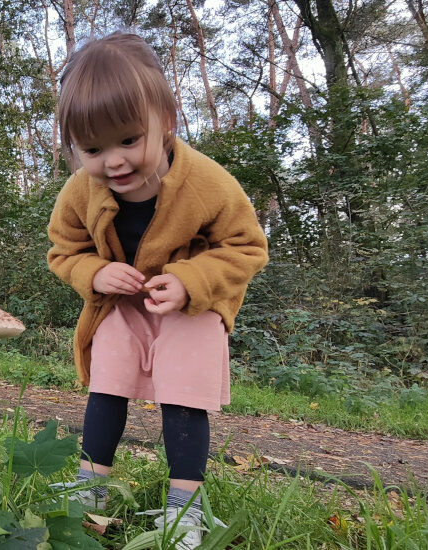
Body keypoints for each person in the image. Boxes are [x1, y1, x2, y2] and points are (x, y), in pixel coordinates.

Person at [45, 31, 268, 548]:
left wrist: (192, 281)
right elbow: (63, 250)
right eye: (93, 149)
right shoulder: (80, 192)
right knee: (107, 384)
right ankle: (90, 488)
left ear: (165, 121)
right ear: (74, 146)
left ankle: (183, 507)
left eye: (129, 140)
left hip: (192, 308)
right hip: (124, 307)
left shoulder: (208, 183)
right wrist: (95, 273)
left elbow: (247, 246)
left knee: (184, 398)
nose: (114, 162)